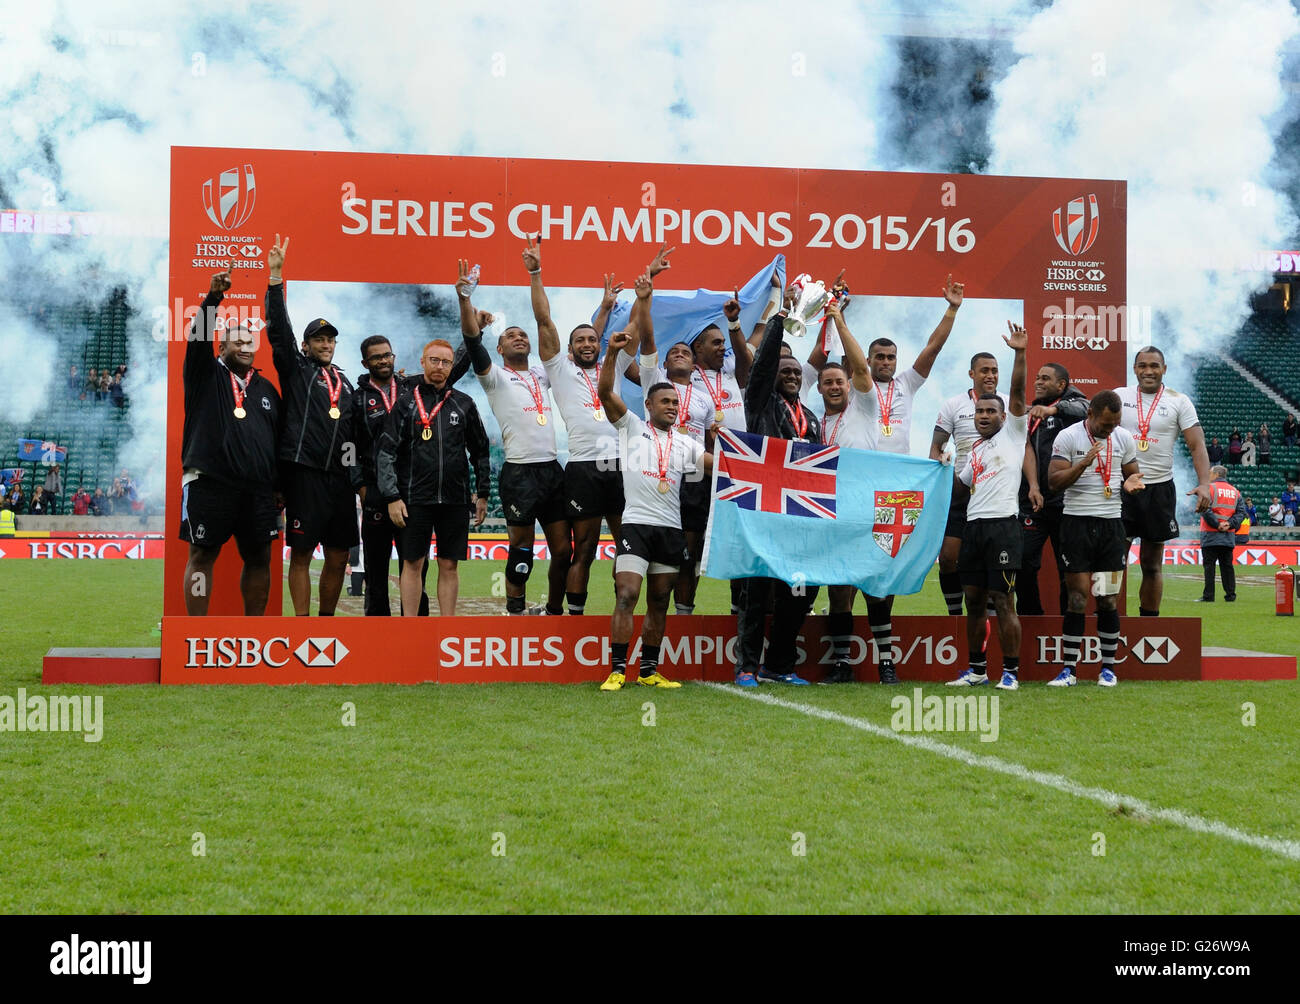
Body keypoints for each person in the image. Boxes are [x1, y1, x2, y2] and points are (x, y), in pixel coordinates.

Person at [596, 329, 713, 690]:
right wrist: (613, 355)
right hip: (636, 526)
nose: (672, 408)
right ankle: (617, 670)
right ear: (649, 405)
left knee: (660, 601)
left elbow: (718, 465)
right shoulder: (631, 427)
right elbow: (604, 393)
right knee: (627, 594)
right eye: (665, 403)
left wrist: (761, 466)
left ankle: (648, 671)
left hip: (670, 530)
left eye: (676, 404)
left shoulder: (685, 443)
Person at [458, 257, 572, 615]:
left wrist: (536, 274)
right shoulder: (494, 378)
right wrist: (466, 298)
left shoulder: (542, 373)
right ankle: (516, 611)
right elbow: (472, 342)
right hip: (520, 473)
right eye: (511, 336)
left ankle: (555, 612)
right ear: (500, 349)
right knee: (522, 552)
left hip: (553, 471)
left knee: (564, 552)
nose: (519, 337)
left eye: (522, 335)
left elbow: (547, 325)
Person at [264, 235, 363, 616]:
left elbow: (352, 432)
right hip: (304, 474)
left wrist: (354, 474)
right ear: (305, 346)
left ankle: (325, 623)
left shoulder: (346, 381)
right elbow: (278, 332)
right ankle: (302, 625)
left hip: (339, 480)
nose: (326, 344)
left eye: (330, 340)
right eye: (319, 339)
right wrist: (276, 278)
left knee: (339, 556)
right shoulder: (297, 370)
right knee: (302, 553)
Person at [530, 238, 628, 616]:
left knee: (627, 547)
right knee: (584, 548)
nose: (587, 344)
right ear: (568, 350)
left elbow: (610, 333)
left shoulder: (612, 365)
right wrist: (536, 273)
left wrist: (611, 305)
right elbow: (543, 320)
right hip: (584, 467)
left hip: (621, 464)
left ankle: (623, 611)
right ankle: (574, 620)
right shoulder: (560, 368)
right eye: (579, 341)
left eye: (592, 339)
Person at [732, 291, 824, 688]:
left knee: (799, 591)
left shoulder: (813, 418)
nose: (790, 376)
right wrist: (780, 319)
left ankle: (780, 664)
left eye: (796, 373)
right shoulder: (760, 406)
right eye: (783, 372)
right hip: (765, 508)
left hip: (802, 515)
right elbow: (764, 364)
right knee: (758, 592)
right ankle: (748, 666)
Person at [619, 269, 722, 617]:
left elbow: (711, 440)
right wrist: (645, 300)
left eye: (685, 351)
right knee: (653, 550)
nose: (679, 353)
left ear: (695, 362)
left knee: (689, 550)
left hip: (692, 472)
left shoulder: (706, 397)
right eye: (673, 351)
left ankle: (684, 612)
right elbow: (648, 340)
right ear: (663, 363)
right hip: (657, 474)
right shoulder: (656, 379)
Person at [180, 268, 282, 615]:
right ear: (221, 347)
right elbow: (196, 340)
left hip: (257, 489)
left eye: (249, 342)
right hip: (211, 481)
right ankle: (195, 633)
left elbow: (277, 441)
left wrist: (278, 487)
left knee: (260, 558)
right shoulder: (205, 374)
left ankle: (252, 632)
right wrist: (213, 298)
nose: (244, 346)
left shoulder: (266, 389)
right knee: (202, 554)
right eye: (236, 342)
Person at [378, 338, 490, 617]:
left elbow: (481, 450)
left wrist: (483, 493)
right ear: (423, 362)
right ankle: (411, 627)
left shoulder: (464, 404)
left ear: (452, 366)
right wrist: (392, 496)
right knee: (413, 563)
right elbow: (385, 452)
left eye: (446, 362)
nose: (440, 367)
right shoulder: (405, 404)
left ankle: (447, 626)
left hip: (454, 498)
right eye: (434, 360)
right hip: (414, 498)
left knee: (449, 564)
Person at [354, 334, 463, 615]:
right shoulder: (356, 399)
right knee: (376, 568)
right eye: (376, 357)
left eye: (387, 355)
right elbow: (349, 445)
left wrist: (473, 334)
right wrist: (362, 486)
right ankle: (378, 632)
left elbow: (451, 368)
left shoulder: (409, 386)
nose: (383, 360)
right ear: (365, 362)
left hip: (412, 490)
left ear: (394, 357)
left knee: (415, 563)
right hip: (377, 492)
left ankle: (417, 629)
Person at [947, 322, 1028, 689]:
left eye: (990, 412)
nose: (983, 416)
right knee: (973, 601)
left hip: (1003, 528)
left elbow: (1016, 391)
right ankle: (977, 670)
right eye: (979, 412)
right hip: (974, 528)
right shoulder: (975, 451)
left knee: (1003, 600)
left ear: (1003, 416)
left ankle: (1010, 672)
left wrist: (1020, 353)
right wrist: (937, 470)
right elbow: (959, 490)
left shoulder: (1014, 433)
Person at [1046, 391, 1144, 687]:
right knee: (1077, 597)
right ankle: (1069, 670)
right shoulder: (1068, 437)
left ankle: (1108, 669)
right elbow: (1053, 483)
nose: (1109, 429)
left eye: (1114, 424)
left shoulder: (1123, 438)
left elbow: (1133, 474)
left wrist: (1132, 483)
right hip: (1076, 524)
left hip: (1111, 527)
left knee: (1107, 598)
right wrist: (1081, 466)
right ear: (1090, 413)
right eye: (1105, 425)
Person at [815, 296, 886, 683]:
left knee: (874, 587)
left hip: (867, 508)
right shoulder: (815, 425)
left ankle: (886, 664)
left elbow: (860, 364)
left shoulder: (864, 408)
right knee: (839, 589)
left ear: (850, 384)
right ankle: (842, 664)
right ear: (822, 389)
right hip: (833, 512)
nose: (834, 387)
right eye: (827, 383)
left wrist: (838, 320)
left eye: (839, 381)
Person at [1114, 346, 1211, 617]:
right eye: (1142, 365)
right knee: (1114, 561)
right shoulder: (1119, 397)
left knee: (1152, 564)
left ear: (1164, 369)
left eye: (1154, 365)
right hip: (1123, 486)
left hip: (1158, 489)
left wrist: (1205, 483)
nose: (1148, 370)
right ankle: (1111, 623)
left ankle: (1149, 624)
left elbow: (1197, 445)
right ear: (1134, 369)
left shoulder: (1179, 401)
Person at [931, 351, 1007, 615]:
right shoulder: (953, 405)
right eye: (984, 370)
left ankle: (986, 617)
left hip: (996, 495)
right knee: (949, 559)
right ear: (972, 374)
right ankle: (955, 616)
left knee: (990, 562)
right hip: (960, 493)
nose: (990, 375)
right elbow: (936, 448)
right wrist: (943, 470)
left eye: (994, 370)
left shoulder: (1008, 404)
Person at [1017, 362, 1089, 616]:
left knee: (1067, 569)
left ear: (1062, 385)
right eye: (1037, 377)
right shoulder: (1033, 412)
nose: (1038, 382)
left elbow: (1085, 408)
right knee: (1023, 562)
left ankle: (1066, 623)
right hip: (1033, 501)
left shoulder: (1074, 404)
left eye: (1045, 378)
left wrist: (1052, 410)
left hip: (1067, 502)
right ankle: (1030, 616)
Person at [1197, 466, 1245, 603]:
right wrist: (1229, 524)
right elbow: (1241, 513)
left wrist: (1217, 524)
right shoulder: (1235, 492)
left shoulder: (1209, 489)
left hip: (1210, 534)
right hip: (1228, 536)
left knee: (1209, 566)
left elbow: (1204, 509)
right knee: (1227, 567)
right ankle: (1230, 595)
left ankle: (1209, 596)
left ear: (1217, 474)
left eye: (1210, 472)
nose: (1209, 474)